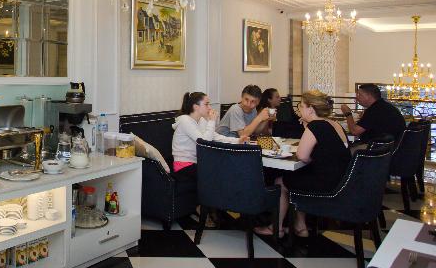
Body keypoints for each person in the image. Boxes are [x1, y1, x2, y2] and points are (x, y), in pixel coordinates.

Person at [256, 90, 351, 237]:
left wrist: (312, 158)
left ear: (311, 109)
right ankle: (300, 226)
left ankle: (276, 228)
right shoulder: (335, 124)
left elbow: (302, 155)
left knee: (280, 182)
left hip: (327, 184)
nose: (299, 109)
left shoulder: (315, 126)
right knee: (300, 175)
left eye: (301, 105)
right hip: (342, 180)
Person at [172, 92, 247, 181]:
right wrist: (212, 121)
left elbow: (215, 137)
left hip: (198, 162)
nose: (210, 107)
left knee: (229, 165)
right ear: (196, 107)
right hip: (184, 166)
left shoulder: (201, 120)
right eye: (206, 104)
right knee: (222, 171)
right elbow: (204, 144)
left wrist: (238, 141)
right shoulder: (185, 121)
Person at [341, 83, 405, 143]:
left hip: (379, 148)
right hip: (391, 145)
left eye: (359, 94)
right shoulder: (382, 106)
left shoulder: (375, 109)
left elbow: (354, 131)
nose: (357, 98)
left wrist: (348, 113)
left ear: (369, 96)